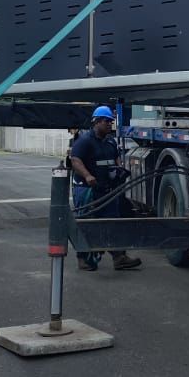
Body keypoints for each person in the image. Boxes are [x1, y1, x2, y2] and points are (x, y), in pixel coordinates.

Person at [70, 105, 141, 272]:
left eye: (111, 121)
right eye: (106, 121)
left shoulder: (110, 141)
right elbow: (75, 161)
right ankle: (83, 259)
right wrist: (87, 175)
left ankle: (119, 258)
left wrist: (120, 170)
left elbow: (115, 159)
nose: (110, 124)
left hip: (107, 190)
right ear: (96, 122)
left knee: (113, 222)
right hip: (87, 190)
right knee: (88, 223)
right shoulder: (84, 141)